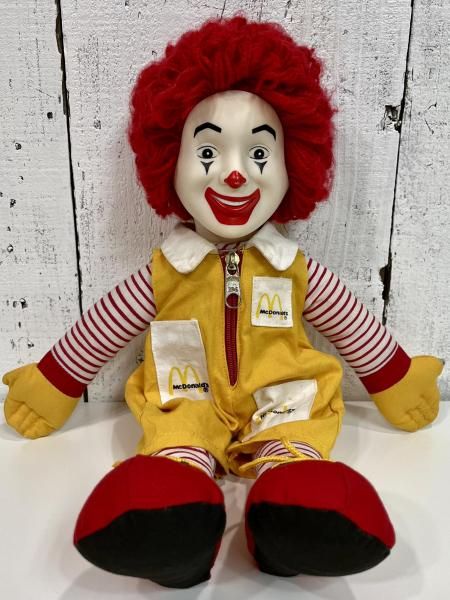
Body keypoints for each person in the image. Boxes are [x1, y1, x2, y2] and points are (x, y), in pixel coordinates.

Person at [3, 16, 443, 589]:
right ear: (170, 161)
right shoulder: (166, 272)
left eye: (259, 154)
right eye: (209, 151)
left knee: (297, 455)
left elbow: (351, 323)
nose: (235, 174)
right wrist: (54, 383)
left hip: (285, 400)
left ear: (293, 165)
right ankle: (176, 526)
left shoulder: (292, 269)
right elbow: (102, 327)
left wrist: (397, 380)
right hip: (186, 400)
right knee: (175, 447)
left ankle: (287, 519)